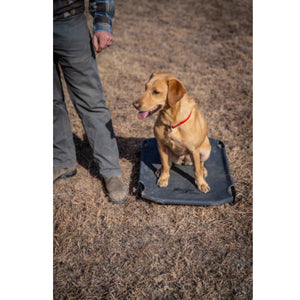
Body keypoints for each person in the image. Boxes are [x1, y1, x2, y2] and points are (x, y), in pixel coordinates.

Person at [53, 0, 127, 204]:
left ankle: (111, 170)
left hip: (68, 21)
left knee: (90, 101)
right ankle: (62, 161)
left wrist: (102, 24)